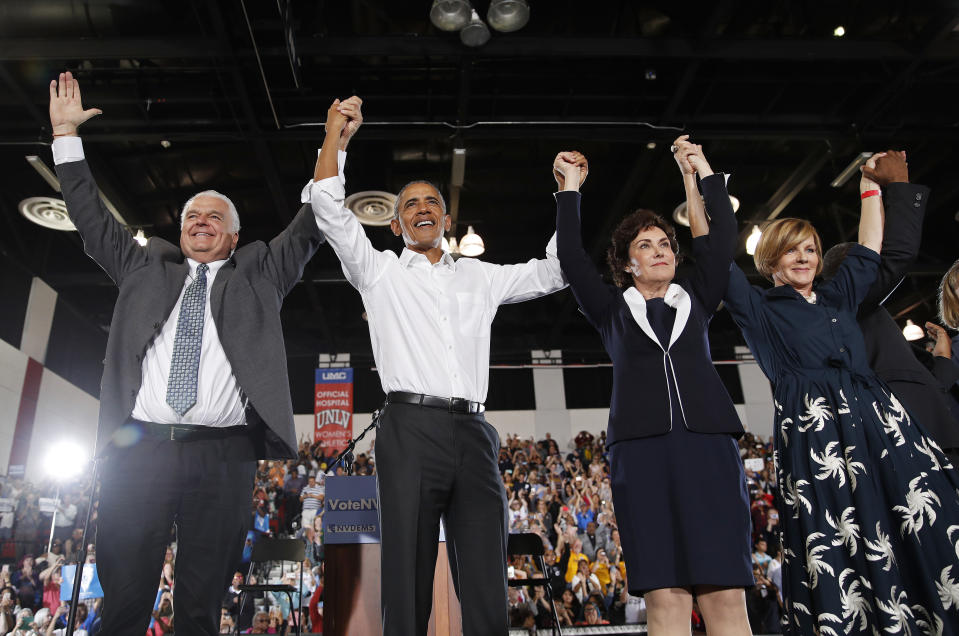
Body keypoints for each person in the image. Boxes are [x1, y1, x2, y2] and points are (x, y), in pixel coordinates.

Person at [48, 71, 324, 635]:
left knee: (200, 604)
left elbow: (310, 224)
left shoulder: (260, 274)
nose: (200, 223)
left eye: (214, 218)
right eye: (192, 216)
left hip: (222, 459)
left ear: (233, 238)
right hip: (138, 450)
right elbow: (90, 217)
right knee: (125, 600)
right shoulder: (143, 264)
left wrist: (333, 148)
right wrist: (65, 137)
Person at [306, 97, 566, 636]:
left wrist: (568, 195)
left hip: (475, 433)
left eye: (432, 202)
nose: (422, 209)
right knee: (405, 573)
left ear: (446, 219)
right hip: (408, 429)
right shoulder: (377, 272)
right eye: (410, 205)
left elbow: (556, 271)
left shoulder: (481, 277)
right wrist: (336, 137)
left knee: (486, 579)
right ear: (398, 224)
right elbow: (328, 209)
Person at [722, 152, 959, 633]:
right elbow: (718, 262)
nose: (805, 257)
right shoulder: (761, 308)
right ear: (770, 260)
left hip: (882, 428)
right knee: (842, 540)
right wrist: (705, 191)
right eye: (792, 250)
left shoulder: (837, 295)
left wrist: (869, 189)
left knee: (923, 519)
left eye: (810, 249)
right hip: (820, 438)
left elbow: (869, 250)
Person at [554, 139, 753, 635]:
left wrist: (702, 168)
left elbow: (722, 235)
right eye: (645, 245)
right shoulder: (610, 311)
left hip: (708, 446)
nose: (660, 251)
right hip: (641, 456)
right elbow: (572, 257)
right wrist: (571, 190)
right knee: (666, 595)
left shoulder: (699, 298)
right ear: (626, 264)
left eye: (665, 243)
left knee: (725, 591)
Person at [820, 150, 959, 465]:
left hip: (928, 433)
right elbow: (899, 252)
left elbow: (925, 387)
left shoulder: (863, 317)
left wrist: (943, 362)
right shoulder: (843, 302)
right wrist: (897, 184)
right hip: (910, 439)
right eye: (869, 257)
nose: (876, 254)